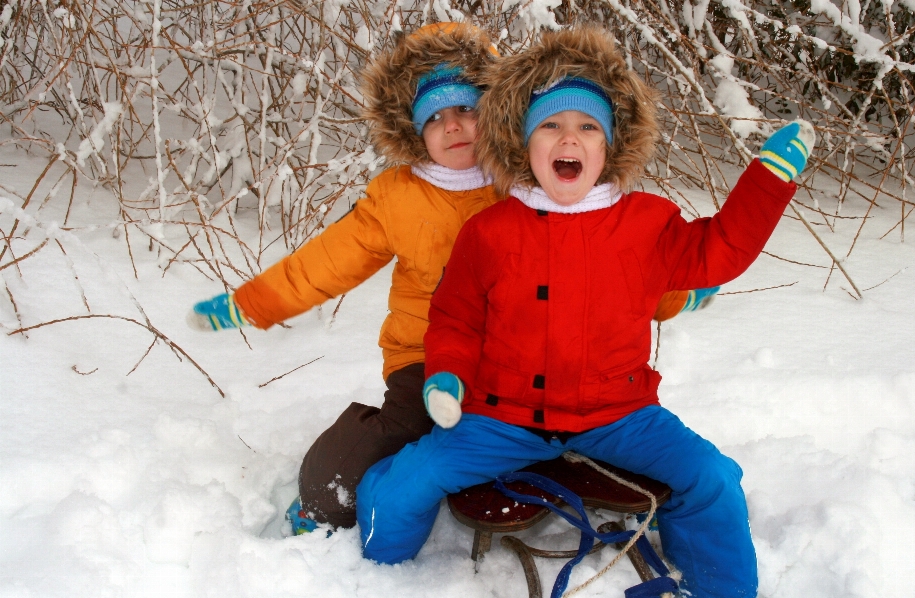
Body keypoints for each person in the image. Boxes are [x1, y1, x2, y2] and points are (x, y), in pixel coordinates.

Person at [354, 25, 814, 598]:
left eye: (587, 127)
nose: (568, 137)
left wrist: (766, 183)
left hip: (620, 414)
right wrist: (446, 375)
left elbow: (718, 251)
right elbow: (455, 318)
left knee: (713, 476)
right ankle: (374, 581)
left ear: (608, 148)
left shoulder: (647, 223)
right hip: (503, 416)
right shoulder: (490, 232)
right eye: (550, 124)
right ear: (525, 144)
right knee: (406, 483)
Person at [188, 22, 712, 534]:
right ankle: (331, 490)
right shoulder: (398, 197)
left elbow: (607, 270)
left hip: (525, 358)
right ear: (415, 131)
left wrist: (676, 295)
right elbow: (328, 262)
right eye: (435, 117)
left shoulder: (530, 185)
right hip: (426, 354)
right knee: (417, 426)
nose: (455, 126)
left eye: (466, 107)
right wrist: (254, 303)